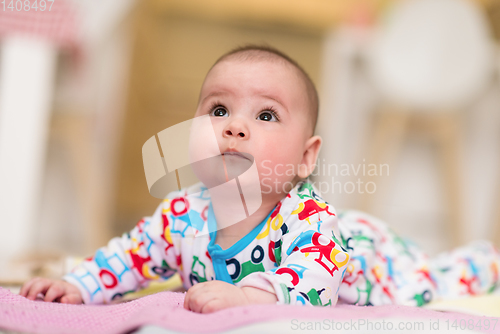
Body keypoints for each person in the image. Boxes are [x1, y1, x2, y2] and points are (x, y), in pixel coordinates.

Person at [19, 45, 500, 313]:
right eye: (219, 109)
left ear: (305, 157)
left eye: (266, 115)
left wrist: (249, 296)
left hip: (367, 255)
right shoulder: (182, 216)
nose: (234, 126)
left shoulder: (308, 220)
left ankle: (487, 262)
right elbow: (128, 256)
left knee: (437, 278)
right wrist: (81, 284)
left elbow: (315, 284)